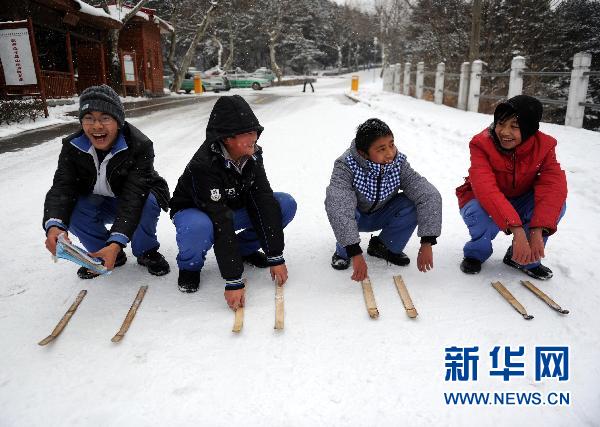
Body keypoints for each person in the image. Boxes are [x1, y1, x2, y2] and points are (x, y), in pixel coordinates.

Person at [169, 95, 297, 310]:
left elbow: (263, 199)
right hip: (196, 211)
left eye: (254, 131)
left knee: (282, 204)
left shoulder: (253, 155)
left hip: (232, 206)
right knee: (199, 226)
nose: (254, 137)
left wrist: (275, 255)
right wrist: (233, 279)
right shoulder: (204, 165)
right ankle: (190, 267)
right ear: (227, 138)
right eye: (246, 133)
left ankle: (243, 250)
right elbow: (219, 219)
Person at [43, 85, 171, 279]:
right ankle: (105, 254)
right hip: (99, 200)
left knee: (146, 202)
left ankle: (146, 252)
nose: (96, 126)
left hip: (133, 198)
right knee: (73, 208)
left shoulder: (140, 146)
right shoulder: (72, 147)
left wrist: (117, 240)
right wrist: (54, 226)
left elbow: (133, 196)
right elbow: (63, 187)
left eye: (105, 118)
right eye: (89, 118)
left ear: (118, 122)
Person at [456, 95, 567, 280]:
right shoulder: (481, 143)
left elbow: (553, 186)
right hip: (482, 198)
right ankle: (476, 254)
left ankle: (524, 259)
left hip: (520, 198)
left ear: (529, 128)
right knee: (478, 213)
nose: (504, 132)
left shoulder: (544, 146)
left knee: (556, 206)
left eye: (514, 126)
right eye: (501, 124)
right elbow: (485, 188)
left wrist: (537, 229)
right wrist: (517, 230)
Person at [325, 118, 442, 281]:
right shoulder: (345, 165)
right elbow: (338, 205)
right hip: (356, 217)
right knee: (343, 206)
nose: (389, 153)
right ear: (363, 152)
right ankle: (344, 251)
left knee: (413, 202)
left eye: (391, 145)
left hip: (383, 213)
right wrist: (356, 253)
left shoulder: (398, 163)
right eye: (381, 149)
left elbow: (427, 194)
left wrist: (427, 242)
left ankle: (384, 246)